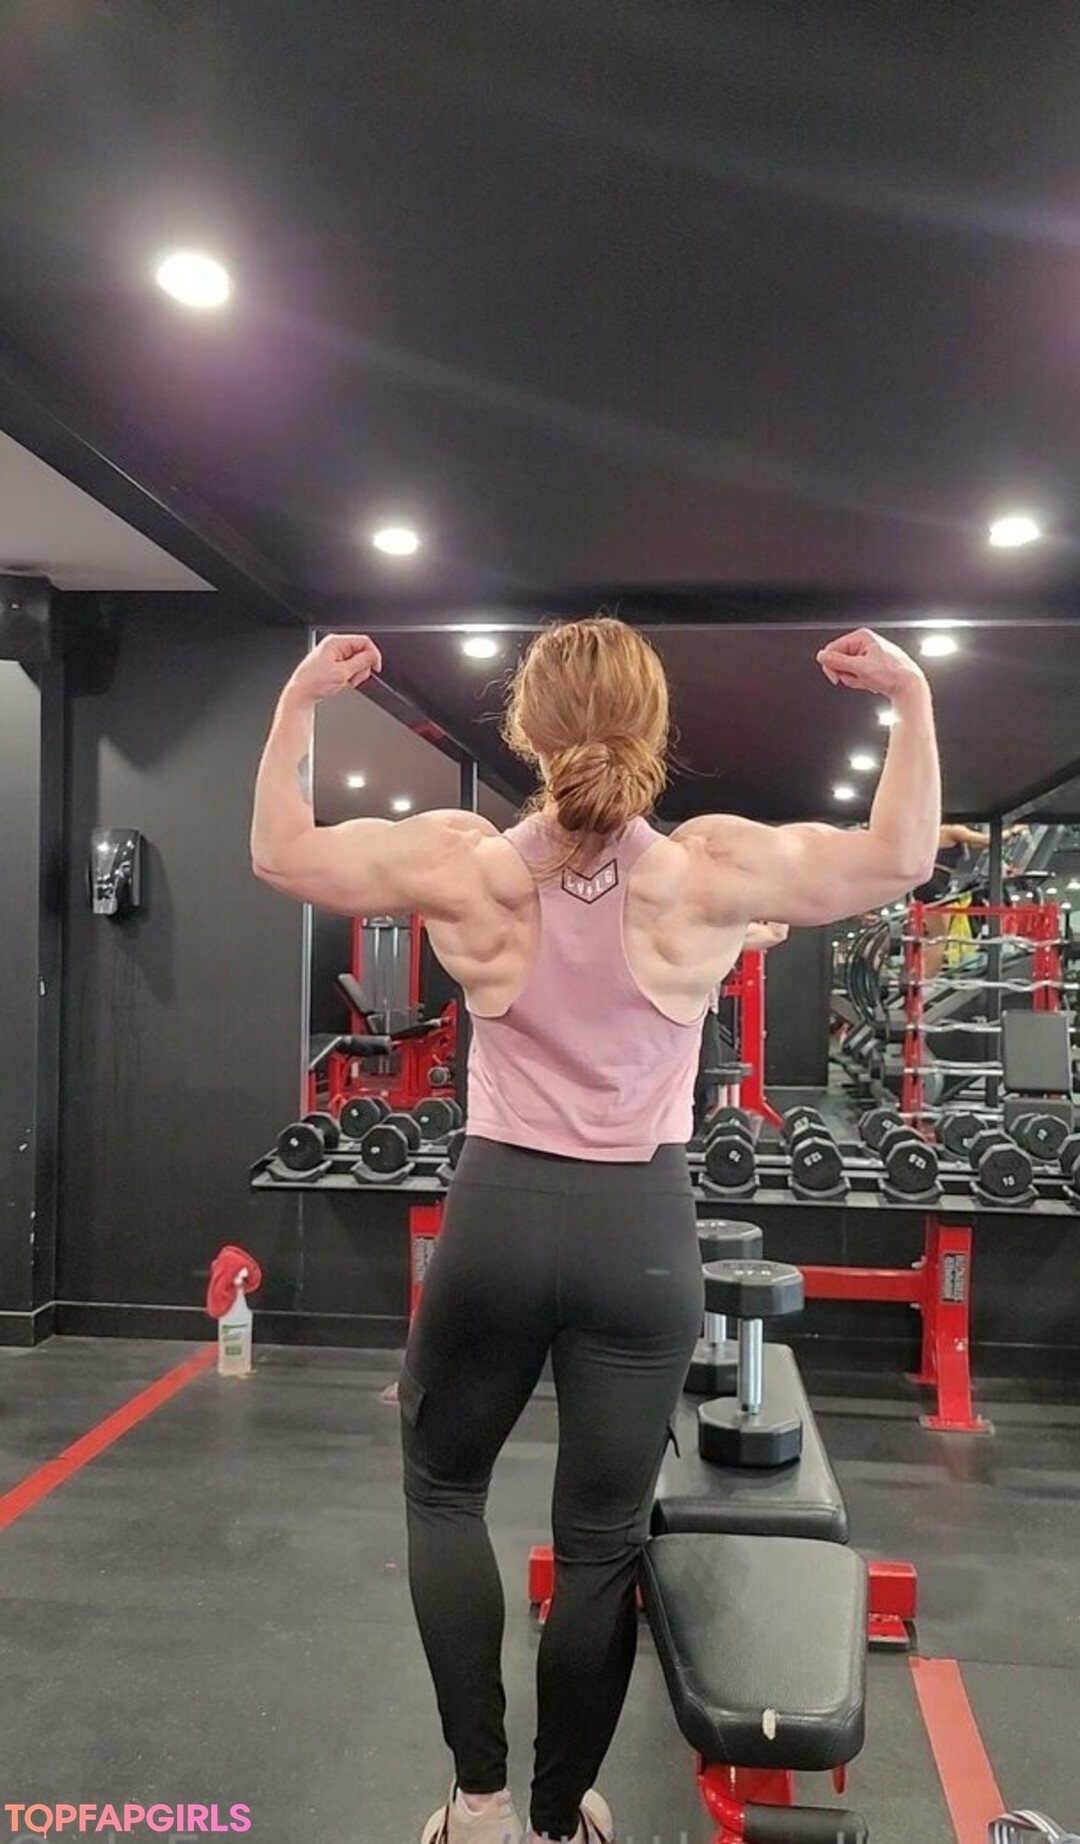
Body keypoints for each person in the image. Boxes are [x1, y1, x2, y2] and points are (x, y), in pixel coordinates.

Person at [250, 619, 941, 1844]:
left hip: (498, 1218)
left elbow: (280, 850)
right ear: (652, 727)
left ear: (528, 729)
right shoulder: (708, 870)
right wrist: (913, 696)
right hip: (641, 1233)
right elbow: (898, 855)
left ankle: (478, 1803)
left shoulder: (466, 862)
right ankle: (562, 1816)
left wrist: (299, 700)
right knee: (600, 1544)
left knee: (444, 1492)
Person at [913, 822, 1023, 980]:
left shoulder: (937, 831)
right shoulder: (952, 829)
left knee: (936, 936)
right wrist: (1013, 831)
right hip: (934, 883)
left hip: (931, 883)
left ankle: (924, 976)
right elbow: (987, 840)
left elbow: (977, 844)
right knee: (939, 937)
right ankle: (926, 980)